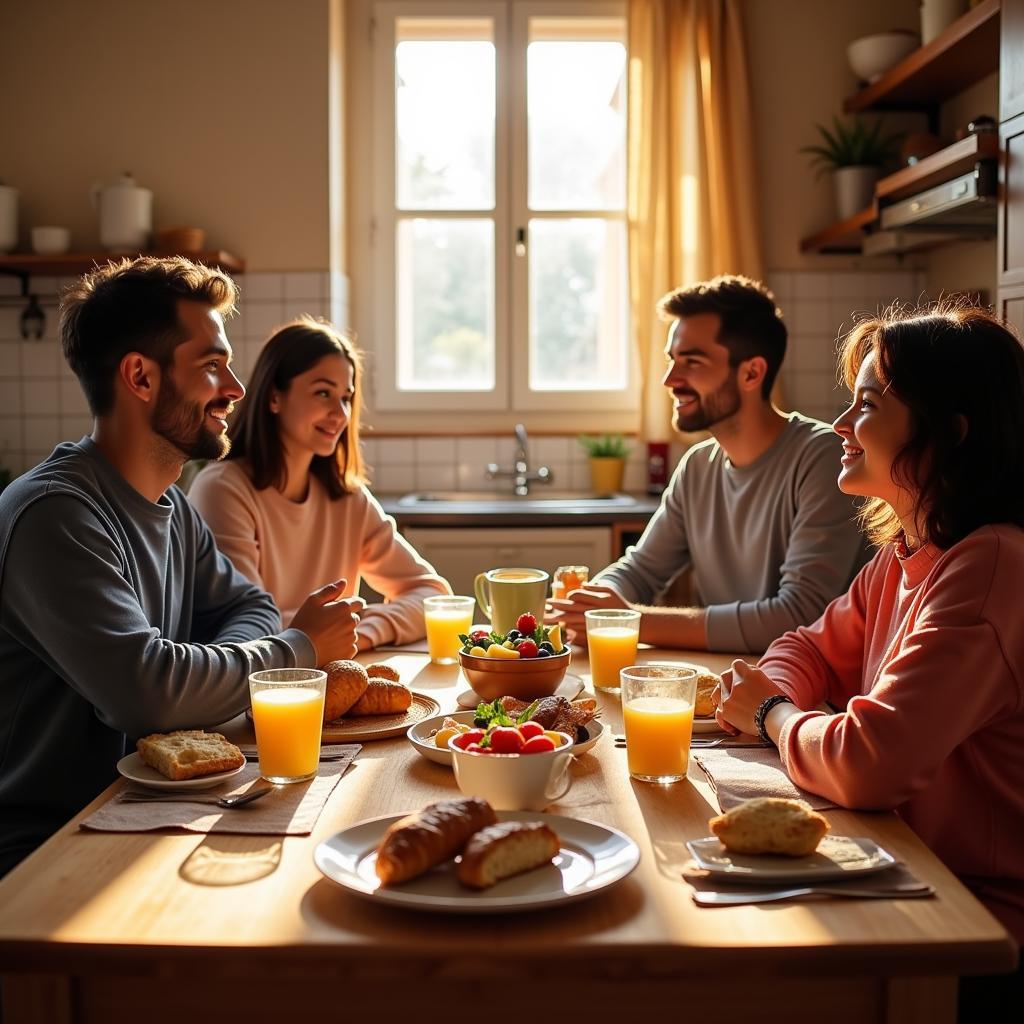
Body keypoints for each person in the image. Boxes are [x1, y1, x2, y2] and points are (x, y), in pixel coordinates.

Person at [0, 257, 363, 878]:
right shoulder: (55, 515)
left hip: (149, 809)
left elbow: (248, 608)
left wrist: (198, 674)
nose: (236, 388)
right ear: (140, 377)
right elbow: (147, 692)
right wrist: (295, 649)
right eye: (210, 365)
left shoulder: (170, 503)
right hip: (48, 847)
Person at [717, 305, 1024, 1002]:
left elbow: (868, 764)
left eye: (868, 405)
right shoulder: (910, 551)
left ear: (950, 433)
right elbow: (808, 645)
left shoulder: (991, 568)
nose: (840, 427)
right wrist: (778, 685)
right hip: (908, 869)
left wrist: (769, 711)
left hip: (977, 930)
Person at [549, 274, 869, 653]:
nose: (670, 379)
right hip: (733, 679)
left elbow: (798, 614)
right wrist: (592, 604)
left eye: (692, 362)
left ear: (751, 373)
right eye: (672, 361)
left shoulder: (824, 458)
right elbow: (641, 569)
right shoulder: (698, 466)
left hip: (816, 694)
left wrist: (629, 621)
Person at [188, 317, 449, 649]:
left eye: (346, 397)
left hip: (332, 676)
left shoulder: (348, 498)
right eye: (323, 393)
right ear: (274, 397)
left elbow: (431, 593)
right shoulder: (223, 490)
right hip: (257, 691)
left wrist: (360, 632)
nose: (340, 413)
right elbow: (246, 629)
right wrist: (319, 639)